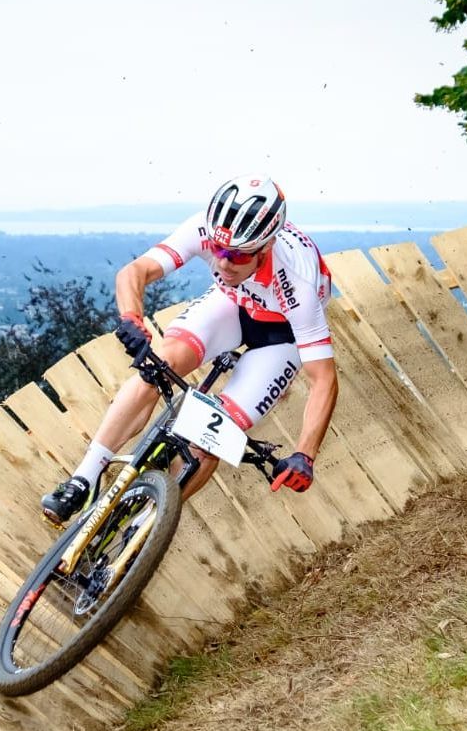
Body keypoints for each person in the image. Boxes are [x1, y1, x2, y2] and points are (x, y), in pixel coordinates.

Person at [40, 174, 339, 524]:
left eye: (237, 256)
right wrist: (131, 318)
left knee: (213, 436)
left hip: (282, 334)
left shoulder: (296, 283)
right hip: (232, 303)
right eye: (219, 250)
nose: (224, 262)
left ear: (266, 248)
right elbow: (134, 272)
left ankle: (145, 528)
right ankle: (84, 478)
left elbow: (324, 380)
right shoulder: (206, 229)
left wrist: (305, 454)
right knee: (159, 365)